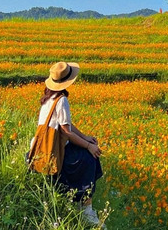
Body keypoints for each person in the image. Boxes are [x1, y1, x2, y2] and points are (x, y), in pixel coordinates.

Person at [36, 61, 105, 227]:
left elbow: (67, 125)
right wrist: (89, 146)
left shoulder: (49, 97)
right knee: (89, 158)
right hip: (54, 149)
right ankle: (86, 210)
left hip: (44, 145)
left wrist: (86, 137)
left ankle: (82, 204)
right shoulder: (61, 100)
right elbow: (67, 132)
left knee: (87, 151)